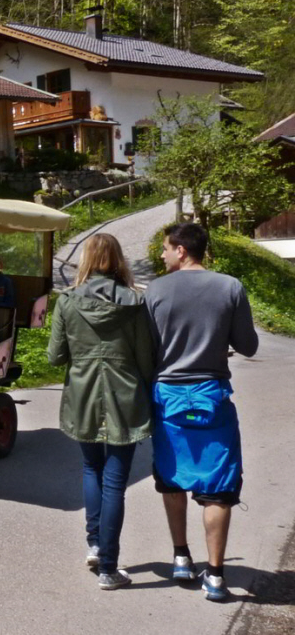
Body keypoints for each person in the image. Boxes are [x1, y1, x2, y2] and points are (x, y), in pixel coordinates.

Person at [144, 222, 258, 602]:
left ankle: (180, 557)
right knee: (219, 490)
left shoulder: (155, 291)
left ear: (180, 250)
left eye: (164, 248)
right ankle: (215, 575)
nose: (162, 255)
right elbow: (249, 345)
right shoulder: (230, 287)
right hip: (212, 394)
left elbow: (146, 351)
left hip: (168, 396)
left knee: (172, 478)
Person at [47, 233, 154, 591]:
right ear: (118, 259)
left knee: (91, 468)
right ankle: (109, 567)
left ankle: (95, 544)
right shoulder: (136, 302)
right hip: (125, 397)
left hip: (82, 396)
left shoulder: (67, 302)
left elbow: (55, 356)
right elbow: (145, 359)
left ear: (86, 261)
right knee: (115, 483)